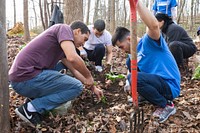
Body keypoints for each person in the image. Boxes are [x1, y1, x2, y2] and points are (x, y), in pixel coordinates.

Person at [9, 21, 103, 127]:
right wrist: (89, 76)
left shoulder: (61, 49)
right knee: (76, 87)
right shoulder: (64, 29)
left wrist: (92, 87)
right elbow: (73, 58)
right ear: (77, 31)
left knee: (67, 74)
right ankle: (31, 109)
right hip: (25, 78)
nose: (84, 44)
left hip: (23, 79)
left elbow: (75, 71)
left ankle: (33, 100)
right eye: (85, 39)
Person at [112, 0, 180, 123]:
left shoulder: (149, 41)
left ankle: (166, 105)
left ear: (129, 38)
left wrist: (136, 3)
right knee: (131, 70)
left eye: (121, 47)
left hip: (169, 85)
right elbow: (130, 70)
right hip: (157, 84)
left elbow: (154, 25)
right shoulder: (132, 57)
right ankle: (146, 95)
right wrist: (130, 85)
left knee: (134, 78)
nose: (122, 51)